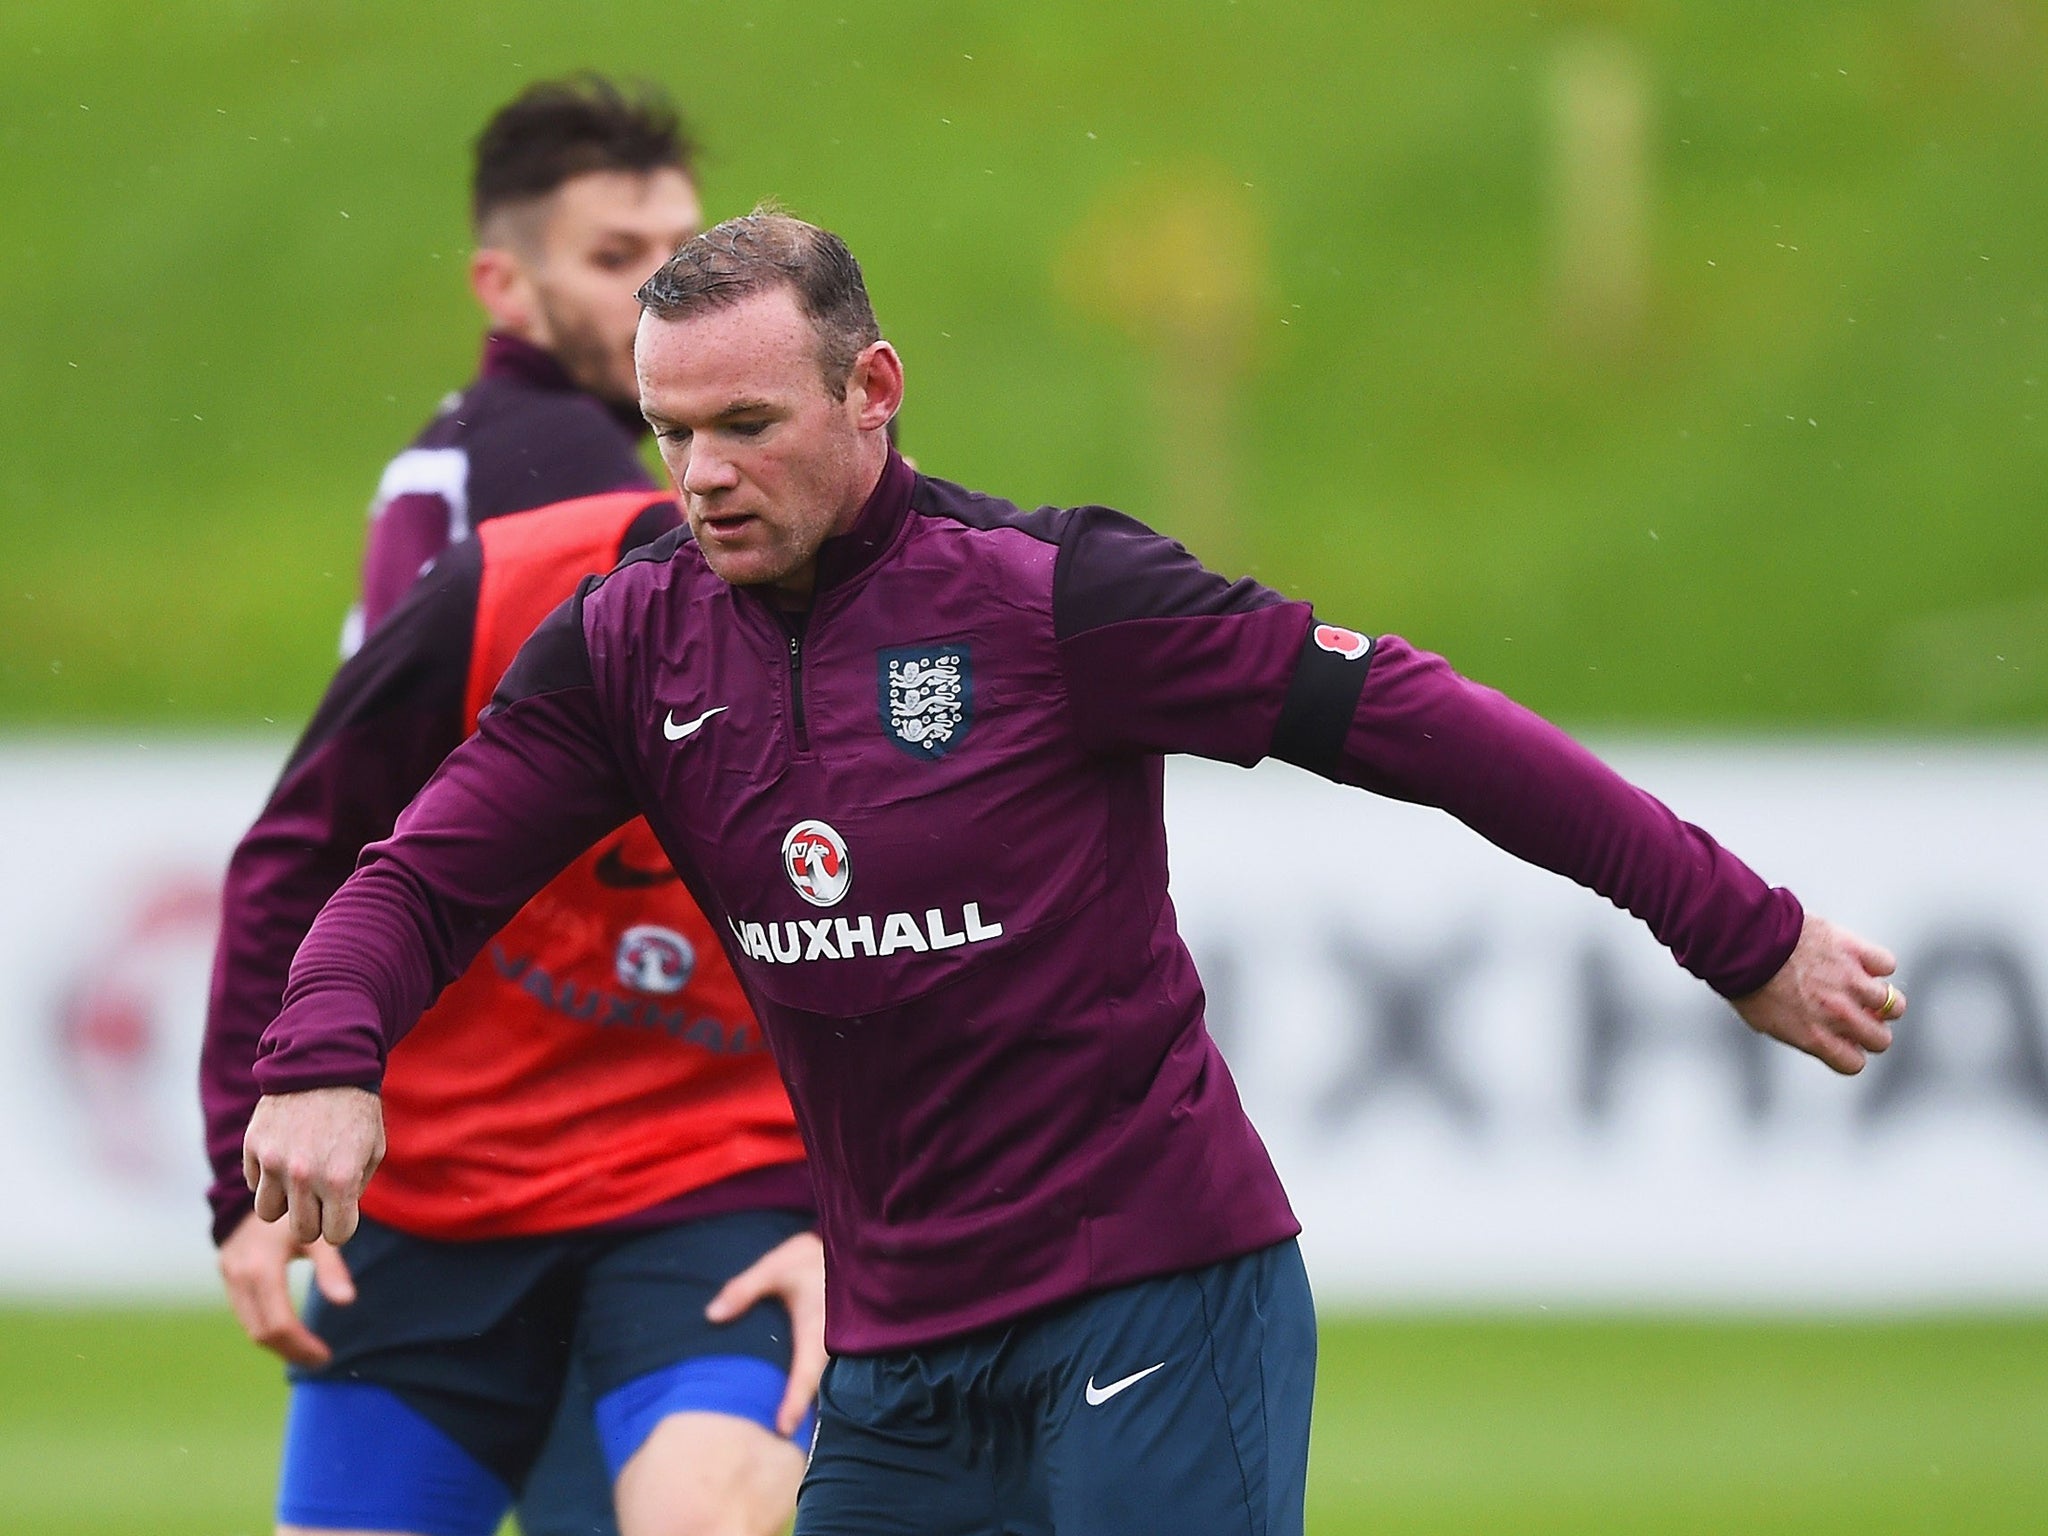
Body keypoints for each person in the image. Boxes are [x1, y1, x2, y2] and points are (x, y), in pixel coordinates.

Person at [239, 212, 1906, 1536]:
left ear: (870, 391)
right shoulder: (626, 645)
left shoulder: (1055, 600)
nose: (701, 479)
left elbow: (1420, 722)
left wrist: (1733, 929)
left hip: (1151, 1304)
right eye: (673, 433)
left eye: (746, 425)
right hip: (893, 1362)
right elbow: (411, 878)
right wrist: (324, 1053)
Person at [204, 486, 822, 1536]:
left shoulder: (916, 637)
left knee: (713, 1516)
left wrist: (858, 1233)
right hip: (441, 1184)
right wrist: (243, 1177)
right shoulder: (496, 593)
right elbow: (296, 858)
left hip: (725, 1180)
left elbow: (972, 969)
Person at [342, 73, 701, 656]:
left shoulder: (472, 438)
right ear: (506, 287)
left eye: (688, 252)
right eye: (614, 258)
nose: (671, 288)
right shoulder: (559, 450)